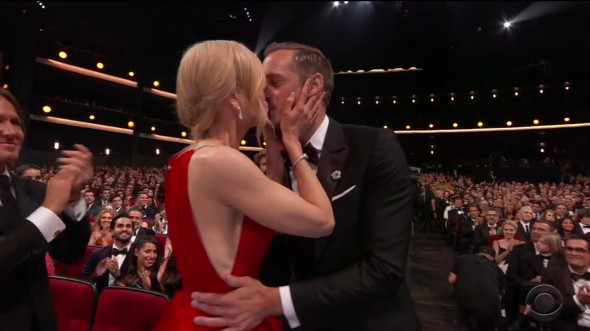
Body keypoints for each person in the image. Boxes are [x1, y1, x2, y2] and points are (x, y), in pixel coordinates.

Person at [191, 42, 419, 330]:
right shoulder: (269, 161)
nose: (262, 94)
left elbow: (385, 270)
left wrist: (277, 300)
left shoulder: (373, 147)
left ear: (313, 86)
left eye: (274, 83)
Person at [154, 40, 335, 331]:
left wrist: (275, 167)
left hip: (197, 314)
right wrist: (291, 142)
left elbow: (251, 224)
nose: (266, 94)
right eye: (259, 83)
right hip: (225, 320)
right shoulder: (222, 161)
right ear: (234, 96)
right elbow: (322, 220)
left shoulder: (187, 157)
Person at [0, 88, 93, 330]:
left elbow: (69, 253)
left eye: (16, 122)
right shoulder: (46, 201)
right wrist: (49, 211)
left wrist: (73, 199)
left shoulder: (33, 190)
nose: (10, 132)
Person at [448, 246, 504, 331]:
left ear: (476, 253)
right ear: (493, 259)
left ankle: (462, 322)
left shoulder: (461, 258)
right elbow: (499, 297)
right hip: (488, 306)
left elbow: (451, 280)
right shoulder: (498, 270)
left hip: (465, 299)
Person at [542, 235, 590, 331]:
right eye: (569, 249)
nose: (573, 253)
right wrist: (578, 300)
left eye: (580, 250)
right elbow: (547, 307)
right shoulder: (552, 274)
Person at [82, 214, 134, 292]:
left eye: (128, 226)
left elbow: (140, 288)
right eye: (120, 226)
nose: (124, 229)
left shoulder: (139, 256)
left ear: (133, 231)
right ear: (112, 231)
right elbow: (84, 282)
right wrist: (96, 275)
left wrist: (118, 275)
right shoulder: (97, 254)